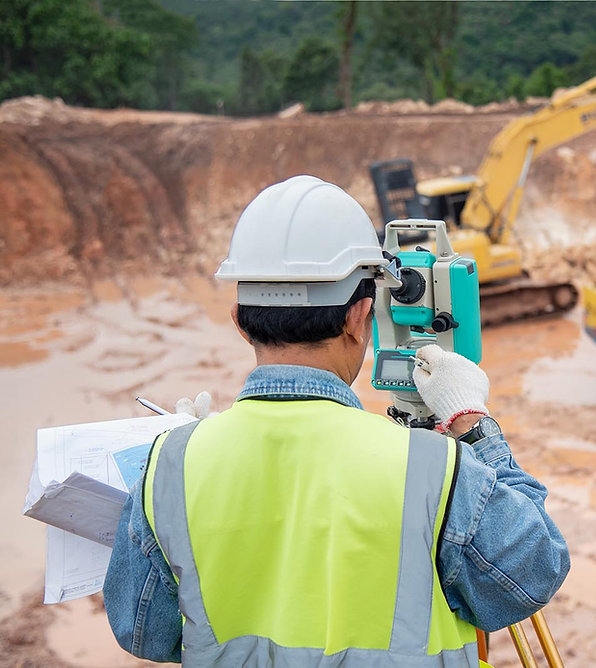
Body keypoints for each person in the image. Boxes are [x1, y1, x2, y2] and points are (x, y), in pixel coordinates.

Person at [102, 175, 570, 666]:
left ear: (239, 320)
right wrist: (472, 424)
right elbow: (534, 570)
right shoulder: (431, 470)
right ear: (359, 315)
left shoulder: (169, 465)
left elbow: (144, 634)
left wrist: (184, 454)